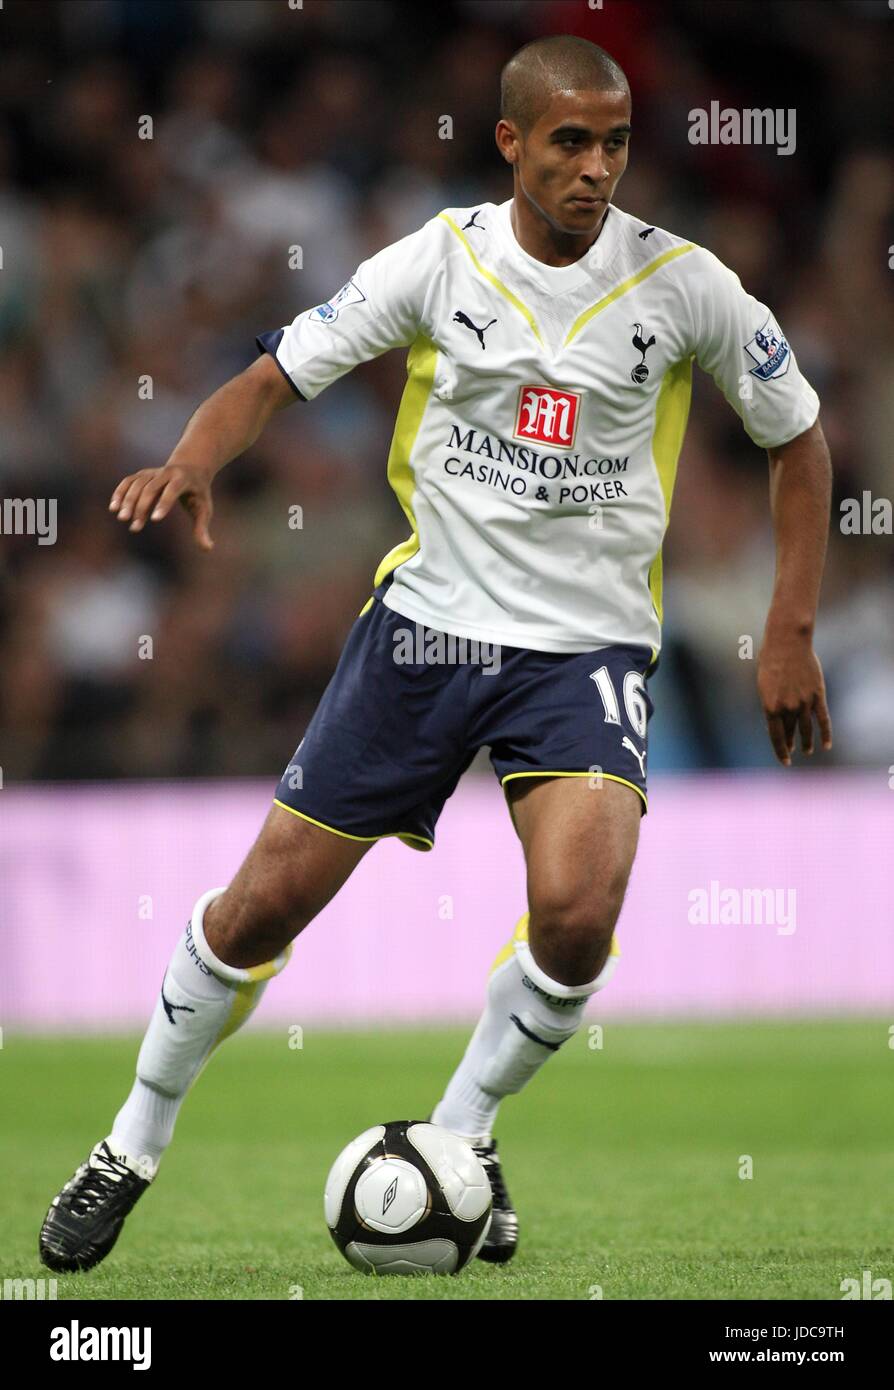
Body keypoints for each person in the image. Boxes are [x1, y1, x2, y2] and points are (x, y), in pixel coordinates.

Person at [40, 33, 832, 1273]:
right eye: (570, 140)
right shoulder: (438, 261)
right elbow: (274, 376)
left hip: (582, 652)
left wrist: (787, 625)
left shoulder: (686, 286)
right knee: (261, 907)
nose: (596, 168)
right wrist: (195, 457)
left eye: (615, 142)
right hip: (424, 633)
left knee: (577, 914)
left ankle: (464, 1129)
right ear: (512, 141)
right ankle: (131, 1140)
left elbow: (802, 442)